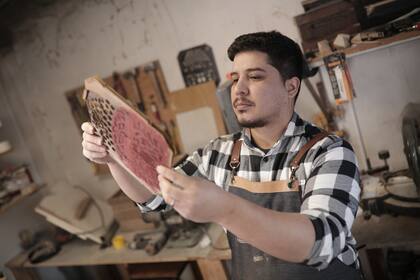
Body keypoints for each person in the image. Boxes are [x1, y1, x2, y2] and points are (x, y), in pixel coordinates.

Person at [81, 31, 362, 279]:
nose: (238, 89)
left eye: (254, 77)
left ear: (291, 86)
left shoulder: (328, 152)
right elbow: (154, 199)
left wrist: (226, 209)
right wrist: (112, 159)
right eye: (235, 78)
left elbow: (321, 242)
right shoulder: (219, 153)